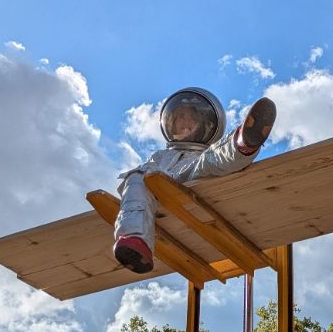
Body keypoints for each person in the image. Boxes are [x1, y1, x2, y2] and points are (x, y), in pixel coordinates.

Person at [113, 87, 276, 273]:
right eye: (181, 117)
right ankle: (133, 241)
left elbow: (210, 162)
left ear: (206, 125)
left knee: (208, 161)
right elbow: (138, 186)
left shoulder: (205, 155)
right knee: (136, 176)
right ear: (171, 122)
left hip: (190, 180)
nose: (186, 122)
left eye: (193, 118)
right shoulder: (160, 156)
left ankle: (243, 142)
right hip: (157, 188)